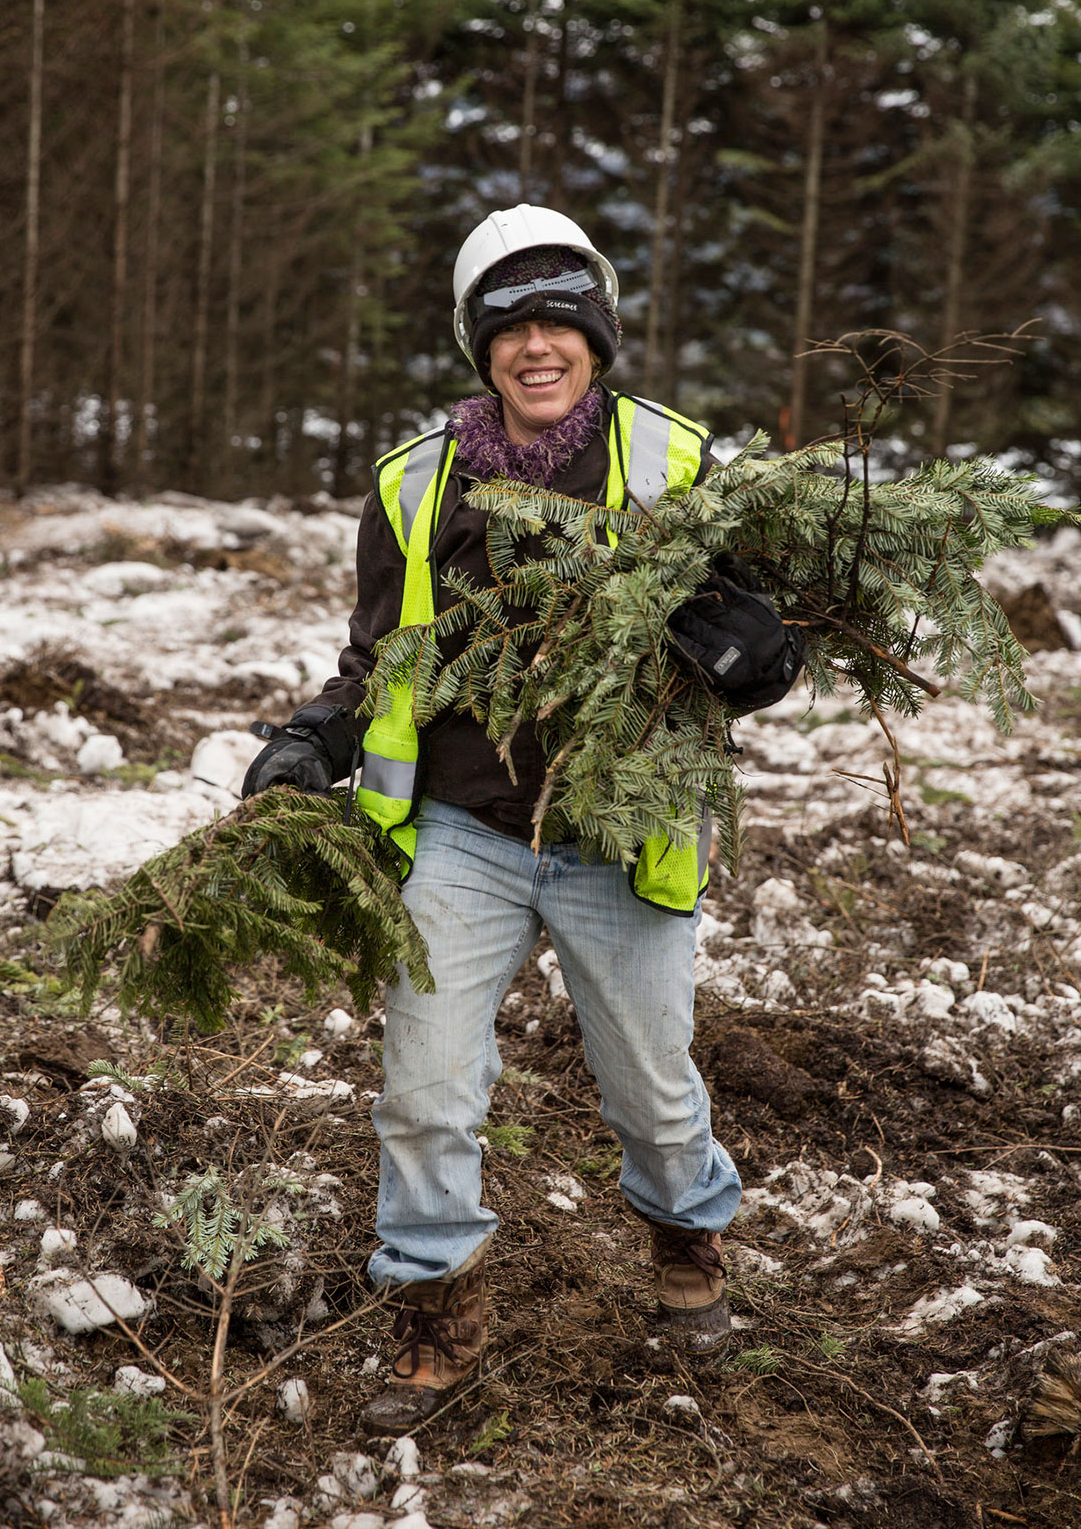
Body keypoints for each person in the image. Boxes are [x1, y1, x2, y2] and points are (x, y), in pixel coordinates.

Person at [242, 204, 802, 1434]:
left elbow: (750, 632)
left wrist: (761, 659)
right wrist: (315, 735)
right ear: (478, 347)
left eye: (560, 321)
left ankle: (687, 1236)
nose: (535, 346)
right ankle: (434, 1300)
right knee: (426, 1085)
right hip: (462, 829)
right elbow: (382, 652)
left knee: (650, 1083)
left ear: (598, 336)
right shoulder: (416, 480)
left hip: (620, 836)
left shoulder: (677, 464)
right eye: (508, 328)